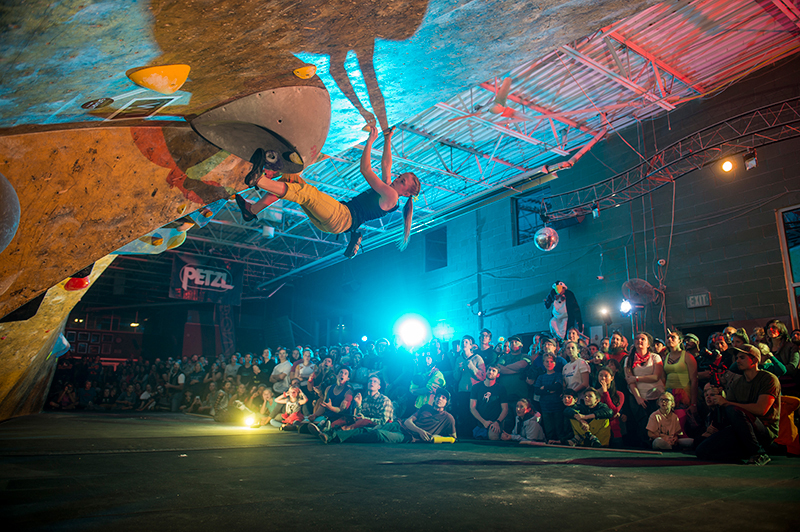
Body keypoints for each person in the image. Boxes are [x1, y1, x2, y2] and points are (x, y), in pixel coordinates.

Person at [235, 126, 420, 256]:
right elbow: (387, 164)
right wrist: (387, 139)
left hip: (342, 217)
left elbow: (366, 170)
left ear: (406, 193)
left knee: (306, 193)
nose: (397, 179)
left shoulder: (392, 196)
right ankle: (251, 211)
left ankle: (257, 179)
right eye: (400, 176)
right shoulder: (389, 190)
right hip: (335, 222)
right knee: (293, 180)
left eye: (402, 181)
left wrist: (370, 141)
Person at [696, 344, 781, 465]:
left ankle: (759, 453)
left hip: (764, 429)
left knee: (734, 409)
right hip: (740, 429)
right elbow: (728, 410)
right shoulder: (737, 383)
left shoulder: (768, 379)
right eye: (737, 358)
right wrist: (719, 400)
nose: (738, 361)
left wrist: (727, 402)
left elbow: (761, 409)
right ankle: (747, 451)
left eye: (742, 357)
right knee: (702, 450)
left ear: (755, 360)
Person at [313, 389, 456, 444]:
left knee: (378, 434)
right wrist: (420, 431)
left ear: (447, 402)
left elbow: (454, 438)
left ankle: (335, 435)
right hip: (400, 425)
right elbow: (408, 421)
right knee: (368, 429)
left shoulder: (448, 418)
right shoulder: (425, 407)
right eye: (438, 396)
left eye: (443, 398)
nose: (439, 399)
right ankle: (333, 434)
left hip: (409, 437)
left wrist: (434, 438)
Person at [624, 332, 665, 447]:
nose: (639, 341)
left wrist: (637, 378)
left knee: (656, 422)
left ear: (648, 343)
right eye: (637, 339)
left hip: (655, 394)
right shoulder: (629, 359)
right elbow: (629, 381)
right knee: (642, 423)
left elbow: (656, 376)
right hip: (638, 396)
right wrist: (638, 398)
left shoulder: (655, 357)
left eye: (643, 339)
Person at [470, 365, 509, 440]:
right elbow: (472, 407)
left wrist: (497, 422)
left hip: (495, 423)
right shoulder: (476, 387)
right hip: (480, 423)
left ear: (498, 375)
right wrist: (483, 422)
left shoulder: (501, 388)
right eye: (489, 369)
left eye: (493, 370)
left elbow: (505, 409)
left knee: (493, 437)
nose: (490, 372)